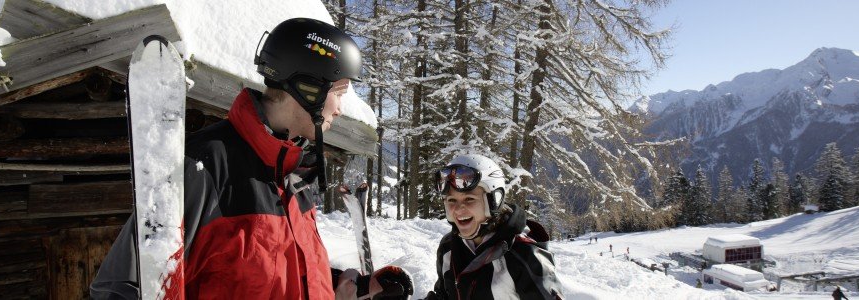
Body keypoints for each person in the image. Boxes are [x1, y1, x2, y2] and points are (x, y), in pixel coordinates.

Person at [90, 18, 412, 299]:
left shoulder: (295, 177)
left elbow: (279, 277)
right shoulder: (204, 167)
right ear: (309, 89)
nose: (340, 109)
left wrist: (352, 287)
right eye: (338, 93)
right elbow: (123, 286)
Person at [424, 154, 562, 299]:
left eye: (469, 199)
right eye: (451, 200)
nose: (458, 209)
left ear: (494, 200)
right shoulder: (449, 247)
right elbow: (443, 296)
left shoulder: (523, 253)